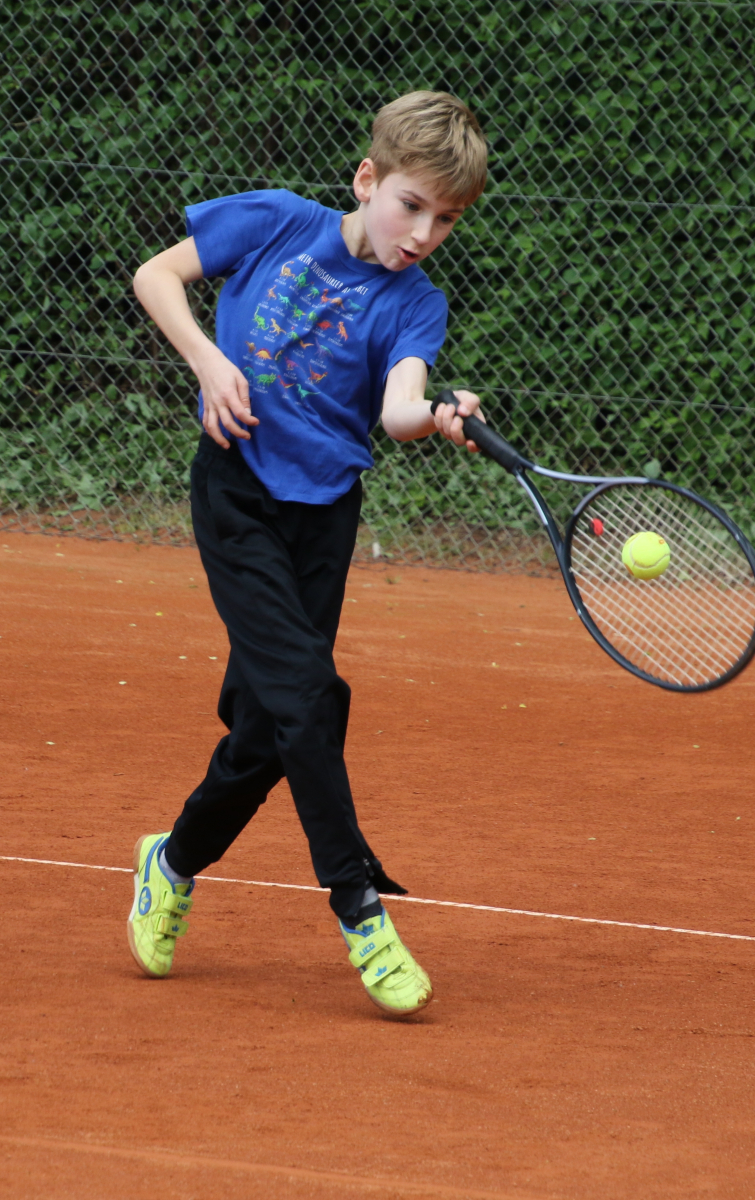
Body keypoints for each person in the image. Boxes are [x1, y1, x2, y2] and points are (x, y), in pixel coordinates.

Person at [127, 90, 487, 1017]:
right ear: (368, 180)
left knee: (269, 731)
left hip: (323, 520)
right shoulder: (277, 221)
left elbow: (397, 408)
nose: (423, 234)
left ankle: (171, 862)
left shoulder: (416, 305)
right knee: (308, 698)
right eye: (412, 205)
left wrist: (438, 414)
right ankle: (360, 910)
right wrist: (208, 360)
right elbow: (156, 276)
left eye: (446, 219)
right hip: (237, 495)